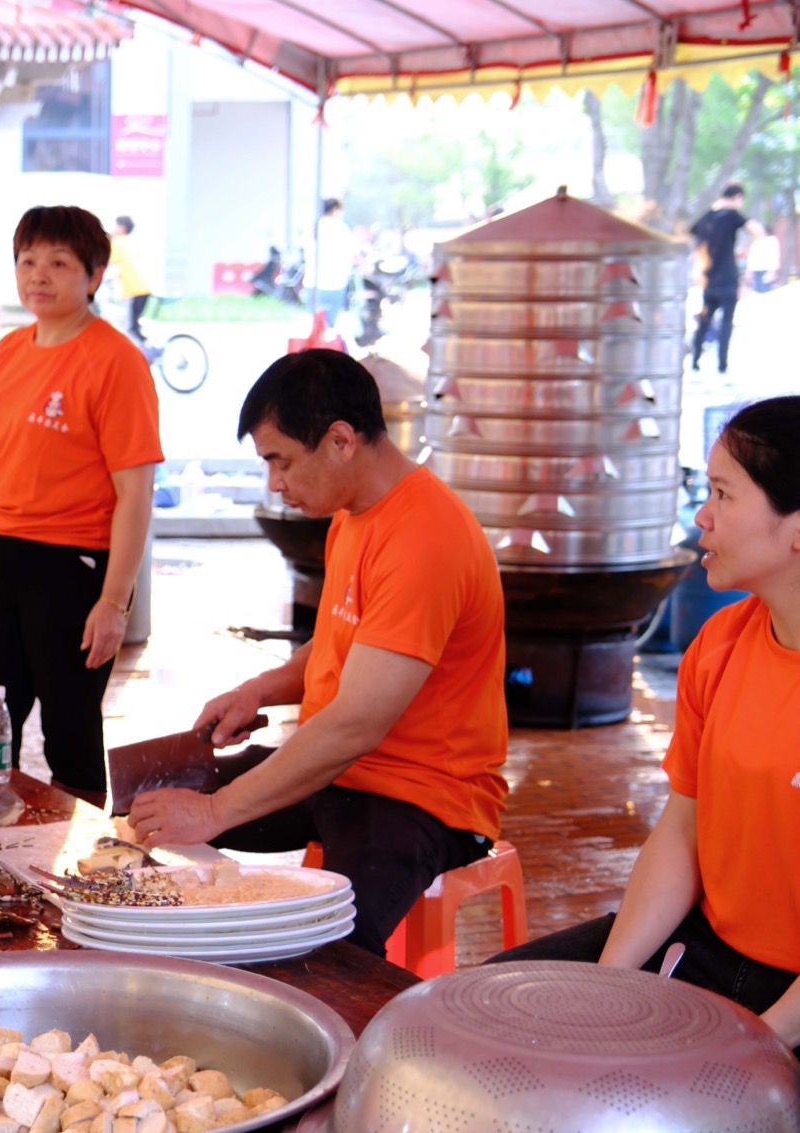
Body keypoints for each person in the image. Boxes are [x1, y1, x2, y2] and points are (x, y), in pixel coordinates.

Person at [127, 350, 508, 956]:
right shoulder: (351, 515)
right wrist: (263, 688)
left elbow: (355, 724)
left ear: (339, 441)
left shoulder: (426, 538)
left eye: (280, 461)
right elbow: (343, 638)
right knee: (140, 807)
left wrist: (216, 810)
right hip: (338, 770)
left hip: (418, 795)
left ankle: (344, 1042)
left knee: (329, 948)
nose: (274, 483)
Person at [490, 396, 800, 1050]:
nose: (702, 516)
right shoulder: (719, 645)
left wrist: (764, 1042)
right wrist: (608, 987)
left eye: (723, 494)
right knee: (495, 1005)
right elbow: (682, 831)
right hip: (713, 945)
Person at [0, 205, 162, 798]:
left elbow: (135, 494)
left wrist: (114, 601)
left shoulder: (116, 362)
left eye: (58, 262)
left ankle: (74, 875)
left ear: (95, 275)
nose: (39, 275)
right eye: (28, 261)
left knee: (70, 736)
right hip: (1, 563)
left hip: (74, 571)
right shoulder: (7, 351)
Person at [690, 183, 748, 373]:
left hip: (709, 279)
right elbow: (758, 231)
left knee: (704, 321)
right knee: (726, 323)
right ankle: (722, 366)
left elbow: (694, 241)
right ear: (737, 197)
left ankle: (694, 362)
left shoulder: (706, 217)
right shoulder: (732, 216)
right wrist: (742, 251)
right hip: (728, 278)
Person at [304, 199, 355, 330]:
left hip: (312, 283)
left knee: (315, 325)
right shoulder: (341, 228)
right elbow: (353, 253)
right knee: (330, 326)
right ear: (335, 210)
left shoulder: (312, 227)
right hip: (335, 283)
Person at [107, 215, 153, 345]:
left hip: (134, 289)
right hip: (143, 287)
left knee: (130, 328)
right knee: (132, 325)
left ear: (122, 228)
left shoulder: (117, 242)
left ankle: (147, 351)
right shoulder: (130, 242)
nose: (113, 229)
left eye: (115, 225)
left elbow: (105, 263)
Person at [747, 220, 781, 293]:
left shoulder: (772, 241)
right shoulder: (757, 241)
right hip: (756, 269)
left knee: (766, 290)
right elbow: (752, 256)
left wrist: (772, 270)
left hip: (766, 269)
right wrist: (749, 270)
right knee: (757, 291)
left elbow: (774, 256)